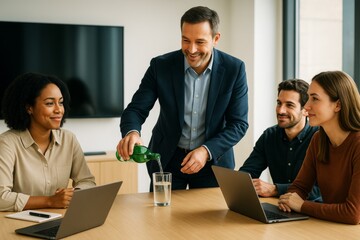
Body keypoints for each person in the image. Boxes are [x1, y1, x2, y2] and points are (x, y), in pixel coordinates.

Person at [117, 6, 248, 190]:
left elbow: (239, 124)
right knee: (161, 216)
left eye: (200, 42)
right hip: (167, 159)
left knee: (210, 219)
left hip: (212, 161)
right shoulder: (160, 66)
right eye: (186, 40)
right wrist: (132, 132)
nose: (192, 50)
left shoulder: (235, 69)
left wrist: (206, 151)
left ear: (216, 39)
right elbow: (136, 110)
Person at [0, 72, 96, 212]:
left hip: (59, 218)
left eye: (61, 102)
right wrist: (50, 201)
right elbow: (2, 198)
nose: (59, 110)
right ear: (29, 107)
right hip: (17, 223)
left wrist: (72, 195)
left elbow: (87, 181)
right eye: (50, 103)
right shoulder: (7, 143)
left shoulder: (69, 139)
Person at [278, 71, 360, 225]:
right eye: (308, 98)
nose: (306, 106)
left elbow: (353, 214)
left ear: (338, 105)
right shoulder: (318, 140)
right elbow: (300, 187)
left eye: (314, 99)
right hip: (333, 227)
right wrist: (289, 200)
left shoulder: (357, 144)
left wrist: (301, 205)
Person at [239, 79, 321, 201]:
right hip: (280, 207)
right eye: (279, 103)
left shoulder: (320, 138)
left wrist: (276, 189)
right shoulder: (269, 136)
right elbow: (246, 174)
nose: (281, 110)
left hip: (311, 211)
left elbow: (321, 190)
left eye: (289, 105)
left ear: (305, 110)